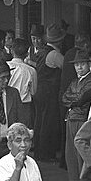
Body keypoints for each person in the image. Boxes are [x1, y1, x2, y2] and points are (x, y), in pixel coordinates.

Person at [60, 49, 91, 181]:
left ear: (89, 65)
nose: (79, 67)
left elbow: (82, 98)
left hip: (83, 119)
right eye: (77, 65)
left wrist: (74, 100)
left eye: (82, 64)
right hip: (71, 118)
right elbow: (64, 98)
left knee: (81, 153)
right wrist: (74, 100)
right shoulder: (74, 81)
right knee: (70, 153)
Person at [30, 24, 64, 159]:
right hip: (50, 92)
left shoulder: (42, 52)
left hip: (40, 90)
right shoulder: (55, 55)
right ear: (59, 41)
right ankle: (46, 152)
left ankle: (40, 150)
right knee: (48, 122)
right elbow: (67, 67)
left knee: (40, 121)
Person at [7, 38, 37, 121]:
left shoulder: (6, 66)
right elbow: (33, 92)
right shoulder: (31, 71)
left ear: (12, 51)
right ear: (27, 53)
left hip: (7, 102)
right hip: (25, 106)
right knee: (23, 131)